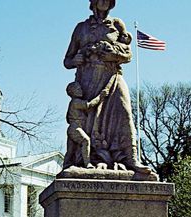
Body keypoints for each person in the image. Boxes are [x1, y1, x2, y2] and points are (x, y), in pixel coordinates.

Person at [63, 0, 151, 174]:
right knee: (90, 122)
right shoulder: (81, 28)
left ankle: (131, 158)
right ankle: (91, 159)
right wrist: (75, 60)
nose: (104, 1)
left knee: (125, 112)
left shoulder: (117, 24)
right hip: (88, 80)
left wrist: (113, 54)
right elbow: (67, 60)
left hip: (112, 77)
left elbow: (128, 54)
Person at [63, 81, 108, 169]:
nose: (81, 90)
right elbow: (89, 105)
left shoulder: (73, 103)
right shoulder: (76, 102)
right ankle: (87, 164)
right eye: (78, 89)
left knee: (70, 151)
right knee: (86, 140)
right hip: (75, 128)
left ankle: (66, 165)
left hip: (72, 128)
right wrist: (100, 96)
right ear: (73, 92)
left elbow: (67, 118)